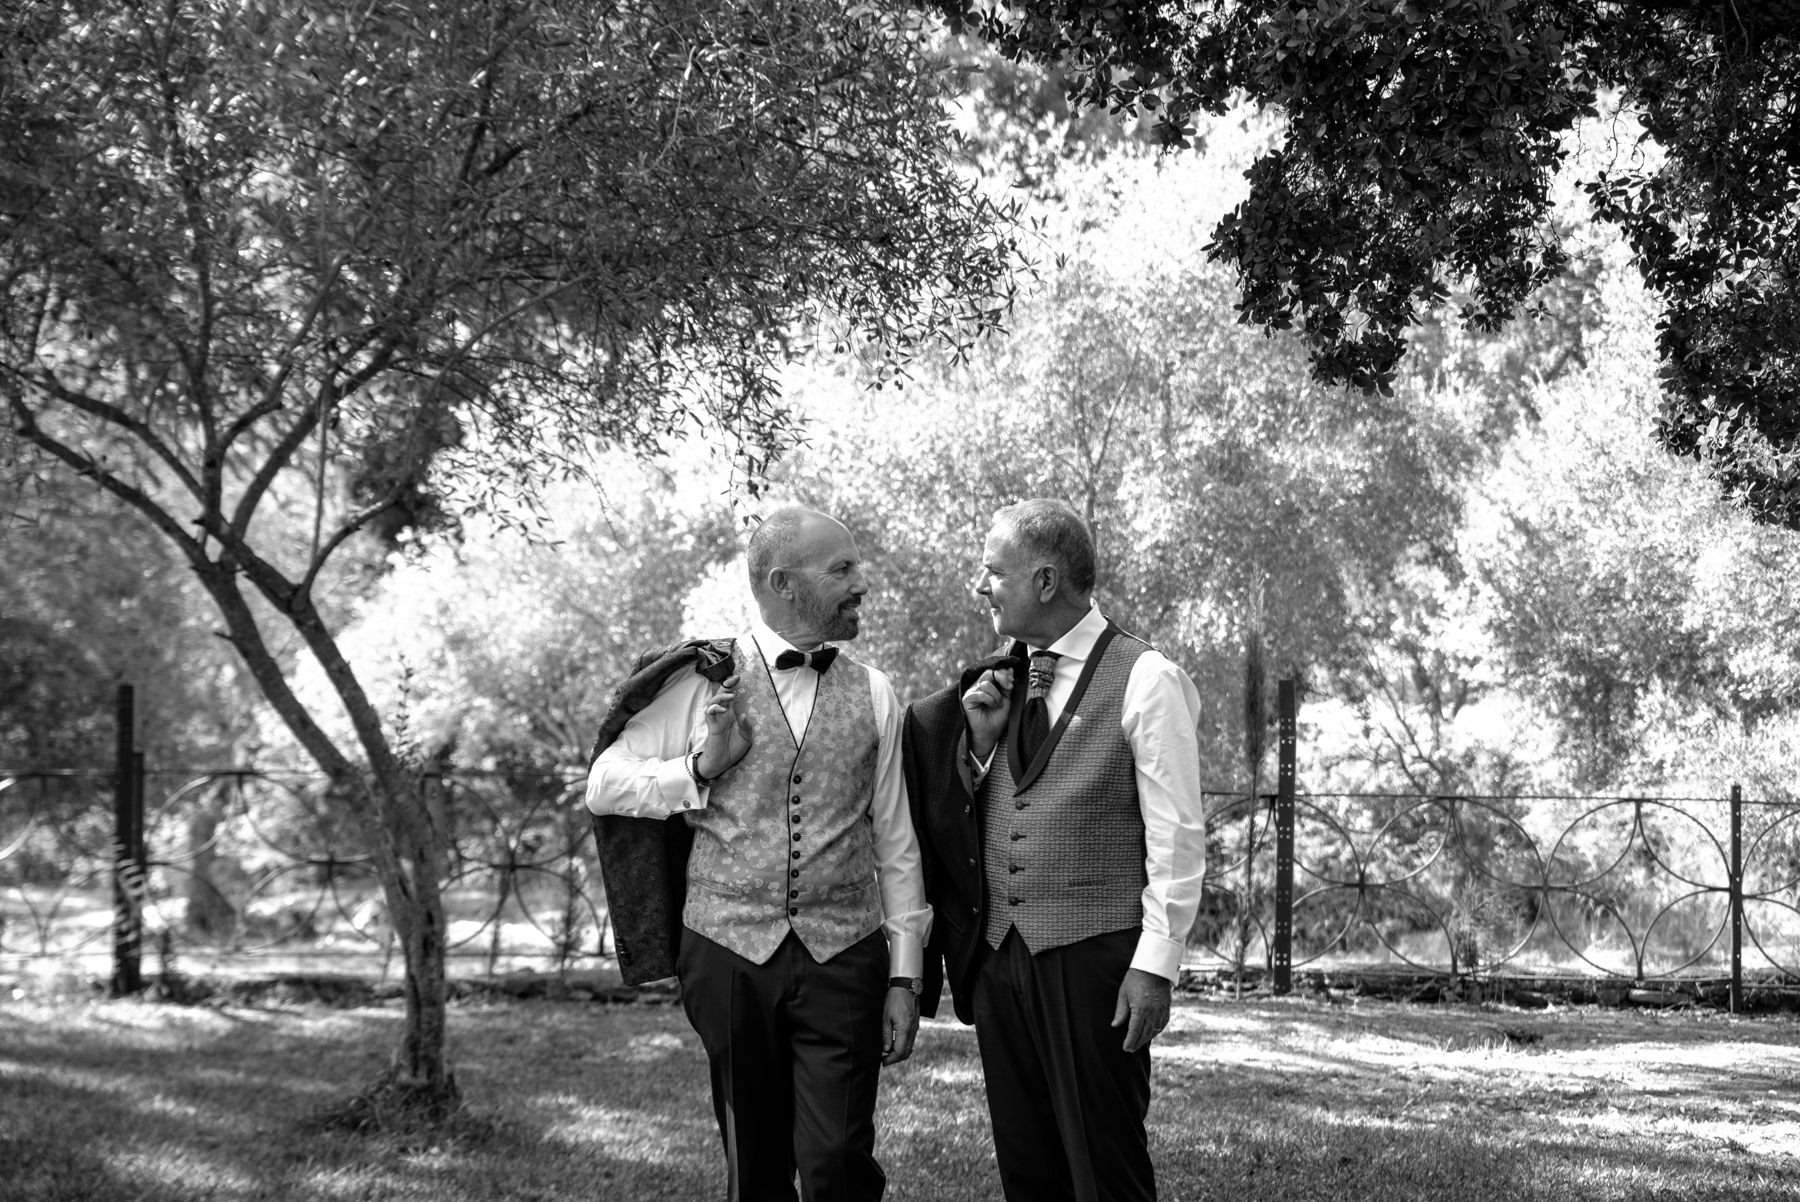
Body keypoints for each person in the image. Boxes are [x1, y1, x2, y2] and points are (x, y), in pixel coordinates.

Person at [586, 506, 932, 1202]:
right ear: (783, 582)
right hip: (727, 952)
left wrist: (906, 977)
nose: (861, 583)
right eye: (842, 569)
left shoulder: (875, 691)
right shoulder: (701, 681)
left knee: (838, 1158)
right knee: (755, 1164)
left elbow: (896, 842)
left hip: (845, 953)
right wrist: (698, 770)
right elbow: (604, 784)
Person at [902, 498, 1207, 1202]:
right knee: (1028, 1168)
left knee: (1105, 1168)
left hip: (1093, 958)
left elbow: (1177, 836)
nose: (981, 586)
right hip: (998, 957)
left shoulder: (1146, 676)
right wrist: (980, 751)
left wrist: (1154, 967)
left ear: (1045, 581)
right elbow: (983, 810)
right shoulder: (999, 681)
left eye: (994, 572)